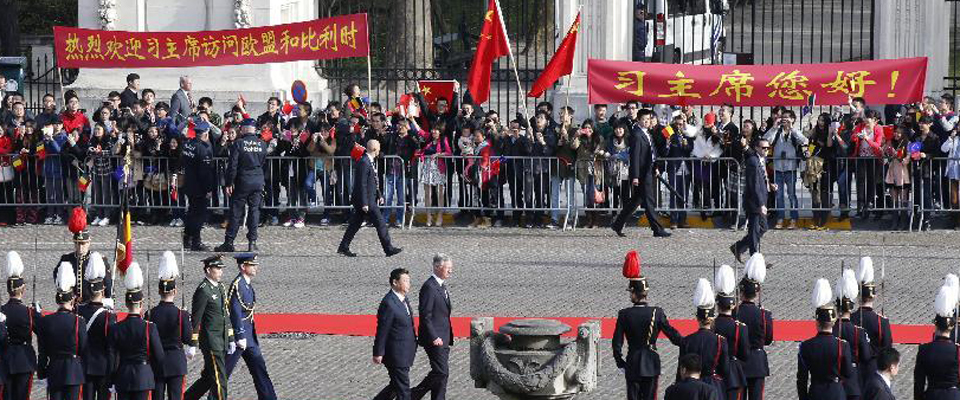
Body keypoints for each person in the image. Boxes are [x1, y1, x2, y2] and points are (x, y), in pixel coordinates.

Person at [613, 250, 682, 400]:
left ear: (633, 293)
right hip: (651, 362)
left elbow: (617, 342)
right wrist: (686, 342)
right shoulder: (657, 313)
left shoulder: (624, 314)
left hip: (632, 363)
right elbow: (672, 335)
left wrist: (620, 362)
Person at [222, 254, 277, 400]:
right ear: (242, 267)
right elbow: (235, 311)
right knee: (222, 373)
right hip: (238, 338)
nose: (255, 267)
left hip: (249, 337)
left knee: (259, 369)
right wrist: (240, 335)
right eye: (252, 265)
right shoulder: (238, 285)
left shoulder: (246, 284)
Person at [611, 109, 671, 238]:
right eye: (644, 119)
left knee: (635, 202)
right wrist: (636, 176)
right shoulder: (637, 135)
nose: (646, 122)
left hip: (649, 170)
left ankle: (617, 224)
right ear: (638, 120)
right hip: (642, 174)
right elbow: (635, 157)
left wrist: (655, 166)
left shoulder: (647, 133)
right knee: (649, 202)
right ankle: (657, 229)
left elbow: (652, 153)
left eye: (648, 119)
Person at [337, 139, 402, 257]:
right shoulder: (364, 162)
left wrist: (379, 195)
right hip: (366, 200)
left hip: (368, 199)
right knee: (381, 223)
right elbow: (361, 184)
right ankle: (388, 248)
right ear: (375, 149)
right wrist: (364, 203)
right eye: (379, 148)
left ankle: (343, 246)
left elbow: (372, 181)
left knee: (354, 225)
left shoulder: (368, 161)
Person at [110, 262, 165, 400]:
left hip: (123, 376)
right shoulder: (149, 327)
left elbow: (112, 357)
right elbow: (159, 356)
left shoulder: (116, 328)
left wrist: (111, 378)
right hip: (143, 376)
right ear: (141, 303)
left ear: (127, 304)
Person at [184, 255, 235, 400]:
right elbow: (196, 319)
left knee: (208, 377)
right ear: (208, 270)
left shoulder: (220, 287)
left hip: (222, 339)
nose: (220, 272)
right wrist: (192, 343)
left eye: (221, 269)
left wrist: (230, 337)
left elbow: (225, 314)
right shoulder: (203, 290)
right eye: (217, 268)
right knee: (220, 378)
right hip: (212, 342)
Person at [37, 262, 87, 400]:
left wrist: (41, 372)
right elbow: (83, 348)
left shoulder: (45, 321)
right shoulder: (79, 321)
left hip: (54, 370)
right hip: (74, 371)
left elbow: (42, 351)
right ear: (72, 299)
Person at [145, 251, 192, 400]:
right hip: (176, 362)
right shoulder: (181, 314)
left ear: (159, 291)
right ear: (175, 291)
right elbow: (187, 339)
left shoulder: (150, 314)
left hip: (156, 362)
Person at [216, 119, 267, 253]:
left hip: (243, 180)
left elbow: (232, 166)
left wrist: (229, 182)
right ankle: (252, 242)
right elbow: (262, 162)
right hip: (258, 179)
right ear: (254, 129)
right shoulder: (262, 144)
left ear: (244, 129)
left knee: (236, 212)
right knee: (254, 210)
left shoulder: (239, 144)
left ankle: (229, 242)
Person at [798, 279, 853, 400]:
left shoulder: (806, 346)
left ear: (817, 322)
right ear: (833, 323)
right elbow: (848, 373)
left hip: (815, 392)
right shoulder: (842, 346)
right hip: (836, 393)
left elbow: (802, 378)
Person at [411, 254, 454, 400]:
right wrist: (434, 336)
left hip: (444, 337)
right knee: (441, 372)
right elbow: (425, 315)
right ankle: (413, 395)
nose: (450, 271)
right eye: (447, 268)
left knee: (442, 374)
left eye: (450, 268)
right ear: (437, 267)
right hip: (435, 338)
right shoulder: (429, 287)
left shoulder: (441, 285)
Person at [373, 268, 418, 400]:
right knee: (403, 391)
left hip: (405, 352)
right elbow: (382, 330)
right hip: (396, 355)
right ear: (395, 282)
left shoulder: (403, 299)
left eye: (409, 281)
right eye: (405, 281)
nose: (408, 284)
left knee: (395, 385)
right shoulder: (389, 303)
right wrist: (378, 352)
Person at [733, 253, 773, 400]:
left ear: (741, 292)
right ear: (756, 294)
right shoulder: (764, 314)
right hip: (757, 362)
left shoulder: (734, 313)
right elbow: (768, 339)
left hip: (739, 363)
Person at [77, 254, 116, 400]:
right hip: (103, 366)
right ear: (103, 288)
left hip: (85, 366)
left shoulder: (79, 311)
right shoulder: (108, 316)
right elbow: (112, 347)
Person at [680, 279, 728, 398]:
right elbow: (725, 369)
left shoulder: (688, 340)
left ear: (697, 318)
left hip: (691, 386)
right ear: (712, 319)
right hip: (714, 384)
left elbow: (681, 368)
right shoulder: (720, 341)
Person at [56, 207, 114, 304]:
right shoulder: (66, 259)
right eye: (78, 244)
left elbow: (108, 284)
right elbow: (58, 280)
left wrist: (109, 301)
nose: (80, 247)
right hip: (72, 305)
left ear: (89, 243)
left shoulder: (99, 260)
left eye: (83, 244)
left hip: (91, 304)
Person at [3, 251, 40, 400]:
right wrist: (37, 312)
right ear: (23, 290)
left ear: (8, 290)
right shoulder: (29, 312)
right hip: (25, 361)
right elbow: (42, 331)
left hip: (5, 359)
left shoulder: (1, 311)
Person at [914, 284, 960, 400]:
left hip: (931, 395)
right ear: (951, 327)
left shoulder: (924, 349)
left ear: (935, 325)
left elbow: (919, 382)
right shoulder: (957, 350)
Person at [763, 110, 807, 229]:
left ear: (793, 119)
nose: (784, 120)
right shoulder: (777, 131)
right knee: (779, 195)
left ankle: (793, 219)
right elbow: (765, 140)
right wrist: (774, 127)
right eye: (783, 117)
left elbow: (804, 140)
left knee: (792, 194)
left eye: (787, 118)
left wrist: (792, 128)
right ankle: (780, 218)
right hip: (778, 168)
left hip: (790, 168)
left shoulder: (794, 132)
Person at [850, 257, 893, 377]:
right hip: (874, 370)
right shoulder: (881, 321)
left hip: (854, 371)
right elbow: (887, 349)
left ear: (858, 296)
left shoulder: (851, 319)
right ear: (874, 297)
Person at [730, 139, 772, 263]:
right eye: (764, 148)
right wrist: (760, 204)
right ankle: (755, 260)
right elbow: (754, 185)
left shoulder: (761, 160)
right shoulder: (753, 161)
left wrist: (770, 185)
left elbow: (761, 179)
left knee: (763, 227)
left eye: (768, 148)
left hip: (759, 200)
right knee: (754, 230)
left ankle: (739, 246)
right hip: (754, 202)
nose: (766, 150)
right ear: (757, 148)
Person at [833, 269, 872, 399]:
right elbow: (866, 357)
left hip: (834, 380)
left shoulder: (832, 330)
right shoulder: (858, 331)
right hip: (853, 383)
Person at [713, 265, 749, 400]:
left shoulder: (712, 325)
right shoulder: (740, 327)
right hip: (734, 372)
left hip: (715, 371)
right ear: (733, 305)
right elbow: (745, 354)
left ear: (717, 305)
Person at [181, 121, 216, 251]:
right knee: (199, 215)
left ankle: (187, 238)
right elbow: (205, 172)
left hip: (189, 183)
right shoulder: (203, 148)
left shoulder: (188, 144)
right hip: (199, 186)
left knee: (191, 212)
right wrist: (208, 189)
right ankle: (196, 241)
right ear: (206, 133)